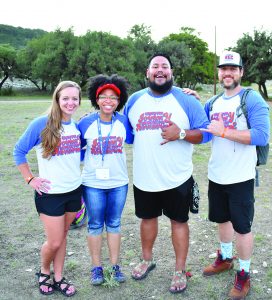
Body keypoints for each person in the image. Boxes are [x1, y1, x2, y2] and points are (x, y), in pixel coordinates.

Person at [123, 53, 210, 293]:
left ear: (172, 73)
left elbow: (206, 133)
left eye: (165, 67)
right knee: (147, 219)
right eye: (155, 66)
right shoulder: (134, 100)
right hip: (145, 177)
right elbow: (128, 134)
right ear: (147, 73)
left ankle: (180, 270)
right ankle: (146, 260)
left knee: (179, 222)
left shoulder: (187, 100)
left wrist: (180, 133)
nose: (160, 70)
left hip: (177, 178)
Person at [201, 51, 270, 300]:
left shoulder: (252, 100)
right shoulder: (214, 102)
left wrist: (225, 132)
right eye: (223, 68)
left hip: (241, 177)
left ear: (241, 72)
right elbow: (206, 133)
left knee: (242, 227)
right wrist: (192, 101)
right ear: (219, 73)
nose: (227, 73)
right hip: (216, 174)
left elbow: (262, 135)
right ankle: (226, 258)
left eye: (233, 68)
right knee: (222, 219)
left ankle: (244, 274)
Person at [13, 81, 82, 297]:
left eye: (74, 98)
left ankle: (59, 277)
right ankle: (44, 272)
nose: (70, 102)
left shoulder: (76, 126)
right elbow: (19, 151)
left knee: (62, 236)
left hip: (73, 192)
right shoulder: (42, 124)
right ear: (57, 99)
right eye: (66, 98)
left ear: (79, 101)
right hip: (50, 194)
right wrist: (30, 178)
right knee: (53, 240)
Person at [78, 74, 133, 286]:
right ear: (96, 99)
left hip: (119, 182)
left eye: (113, 97)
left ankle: (115, 266)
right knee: (94, 225)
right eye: (104, 96)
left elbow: (136, 138)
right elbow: (77, 149)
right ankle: (96, 268)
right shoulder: (85, 123)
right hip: (93, 184)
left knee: (114, 223)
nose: (108, 100)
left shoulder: (124, 122)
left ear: (119, 101)